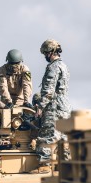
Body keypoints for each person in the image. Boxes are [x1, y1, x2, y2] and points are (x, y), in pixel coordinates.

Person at [32, 39, 71, 174]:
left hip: (53, 106)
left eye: (45, 54)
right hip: (64, 106)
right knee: (63, 138)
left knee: (47, 134)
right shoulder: (64, 66)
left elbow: (49, 91)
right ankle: (66, 166)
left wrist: (40, 107)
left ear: (50, 52)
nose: (45, 57)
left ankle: (44, 165)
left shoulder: (53, 67)